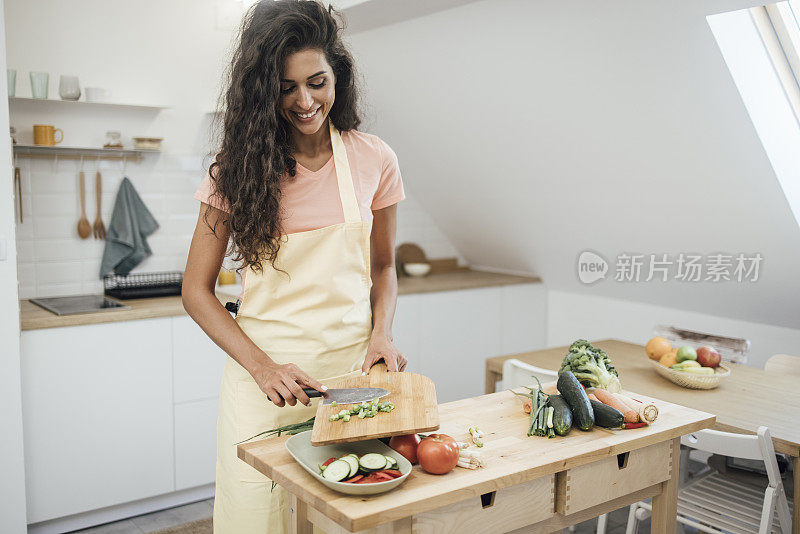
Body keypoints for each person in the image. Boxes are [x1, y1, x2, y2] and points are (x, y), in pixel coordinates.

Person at [181, 1, 407, 532]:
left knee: (346, 519)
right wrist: (264, 368)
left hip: (350, 385)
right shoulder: (235, 173)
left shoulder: (375, 158)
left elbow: (384, 268)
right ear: (263, 92)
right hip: (266, 388)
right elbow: (195, 290)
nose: (305, 101)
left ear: (338, 78)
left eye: (317, 81)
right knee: (260, 519)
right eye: (286, 87)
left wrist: (383, 334)